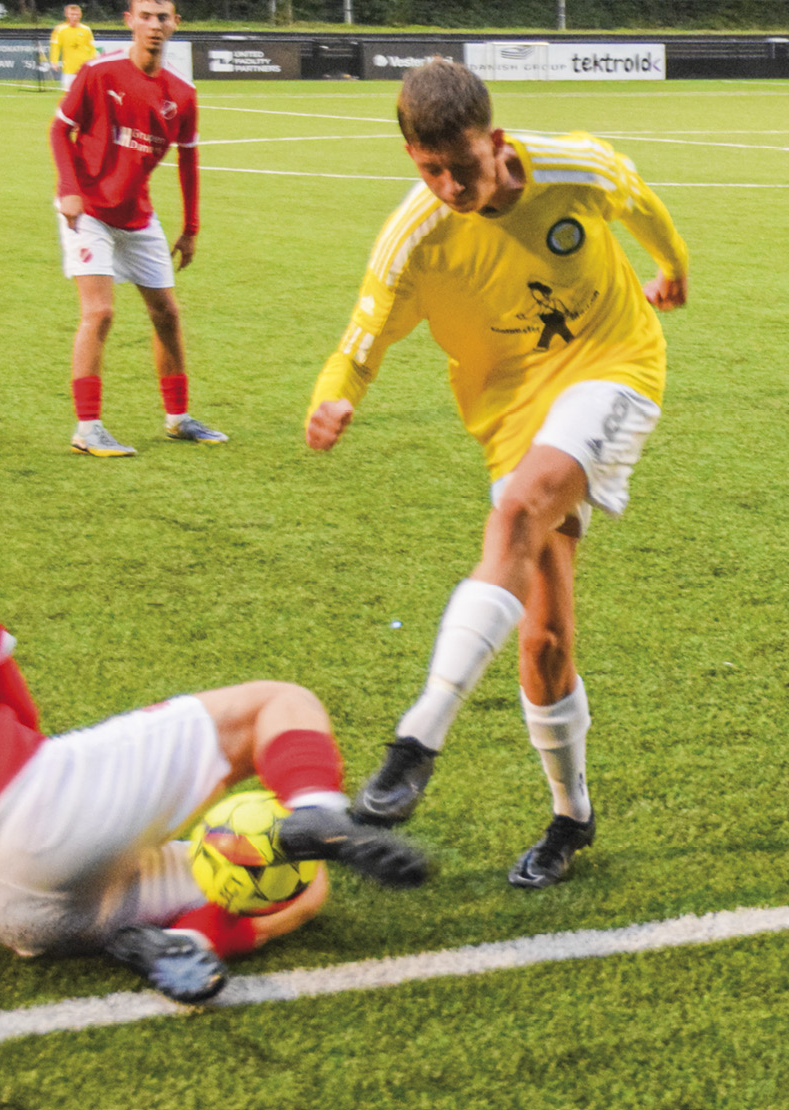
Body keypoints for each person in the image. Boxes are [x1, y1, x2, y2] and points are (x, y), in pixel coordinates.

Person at [305, 60, 688, 891]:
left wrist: (673, 267)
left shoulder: (574, 167)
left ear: (496, 142)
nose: (446, 186)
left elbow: (641, 202)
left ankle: (417, 740)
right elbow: (359, 340)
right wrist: (335, 398)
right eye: (428, 169)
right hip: (511, 413)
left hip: (615, 363)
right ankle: (572, 816)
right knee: (543, 641)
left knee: (515, 512)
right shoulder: (416, 234)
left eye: (461, 167)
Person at [0, 548, 429, 1004]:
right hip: (43, 808)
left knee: (299, 883)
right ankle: (317, 814)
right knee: (277, 705)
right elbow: (18, 711)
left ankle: (176, 941)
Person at [49, 0, 227, 458]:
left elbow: (189, 159)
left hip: (137, 214)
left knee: (167, 313)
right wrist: (69, 188)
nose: (154, 25)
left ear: (175, 25)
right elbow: (59, 131)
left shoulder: (182, 93)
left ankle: (178, 418)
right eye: (145, 16)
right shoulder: (99, 72)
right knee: (100, 313)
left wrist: (191, 228)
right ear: (129, 21)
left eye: (162, 17)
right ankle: (87, 429)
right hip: (86, 209)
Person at [49, 4, 98, 93]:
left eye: (76, 14)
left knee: (87, 94)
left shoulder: (86, 29)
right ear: (67, 15)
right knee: (69, 95)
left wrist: (94, 61)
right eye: (72, 14)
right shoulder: (60, 29)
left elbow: (92, 47)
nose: (74, 17)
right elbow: (55, 46)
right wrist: (54, 61)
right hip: (69, 68)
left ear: (80, 15)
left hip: (84, 67)